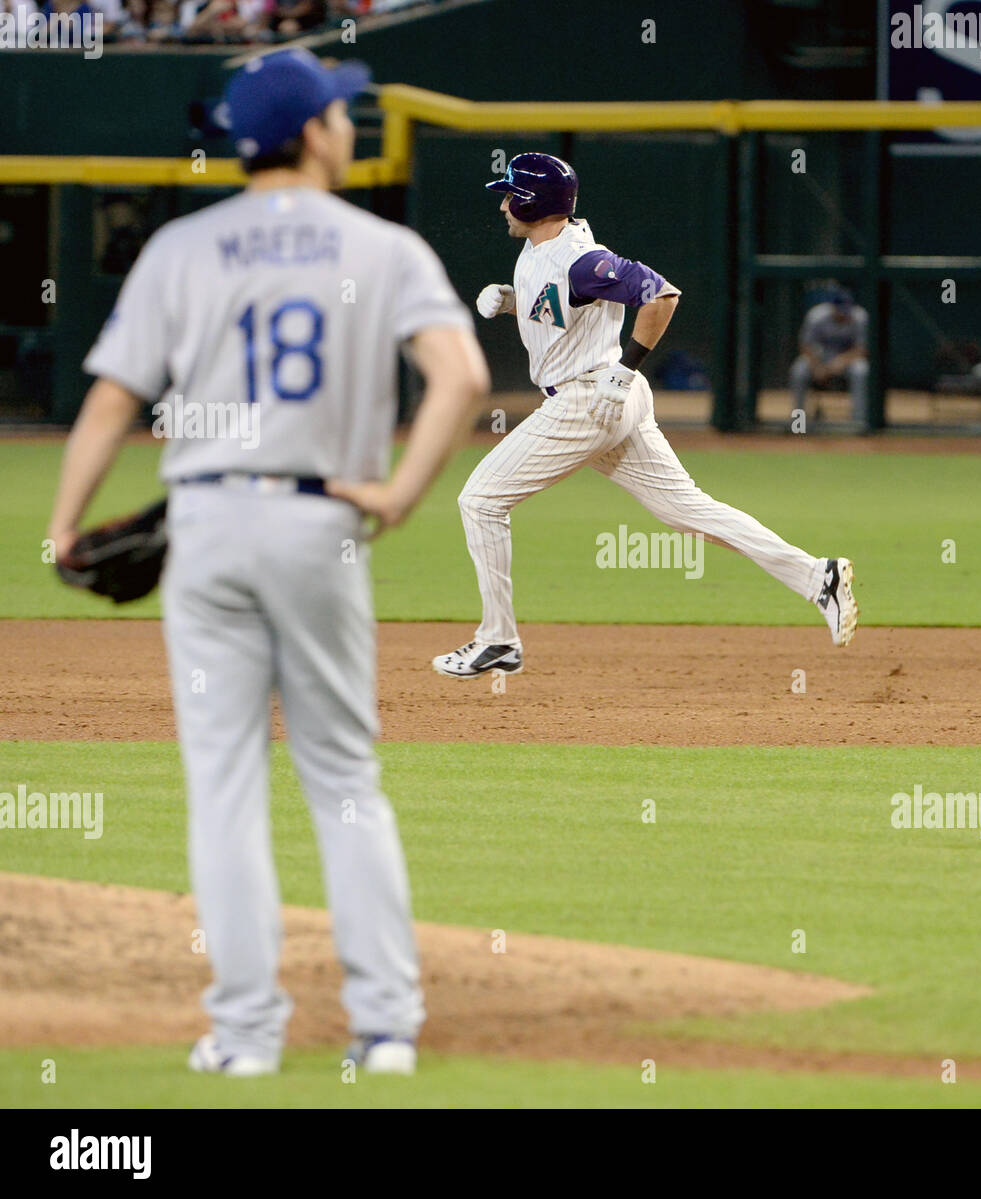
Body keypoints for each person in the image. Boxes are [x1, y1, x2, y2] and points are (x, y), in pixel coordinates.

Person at [46, 48, 489, 1074]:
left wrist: (64, 524)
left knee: (224, 785)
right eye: (339, 112)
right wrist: (399, 492)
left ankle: (244, 1036)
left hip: (204, 526)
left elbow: (112, 398)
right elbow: (460, 376)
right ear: (315, 133)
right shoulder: (381, 246)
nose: (348, 123)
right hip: (318, 523)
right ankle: (384, 1029)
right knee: (341, 774)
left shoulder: (182, 247)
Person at [433, 152, 857, 679]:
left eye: (508, 193)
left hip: (589, 399)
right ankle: (818, 577)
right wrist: (511, 302)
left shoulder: (581, 257)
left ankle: (498, 640)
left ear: (530, 200)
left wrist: (627, 368)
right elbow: (564, 306)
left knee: (480, 500)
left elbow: (662, 294)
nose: (502, 204)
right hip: (604, 399)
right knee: (687, 511)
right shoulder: (541, 253)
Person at [788, 284, 868, 424]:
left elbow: (862, 349)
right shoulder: (816, 316)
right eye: (840, 310)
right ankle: (798, 423)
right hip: (820, 358)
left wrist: (841, 362)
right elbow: (805, 345)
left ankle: (859, 421)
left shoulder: (860, 317)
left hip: (847, 359)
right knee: (798, 371)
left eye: (846, 310)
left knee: (861, 370)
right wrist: (817, 366)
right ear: (831, 306)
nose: (844, 314)